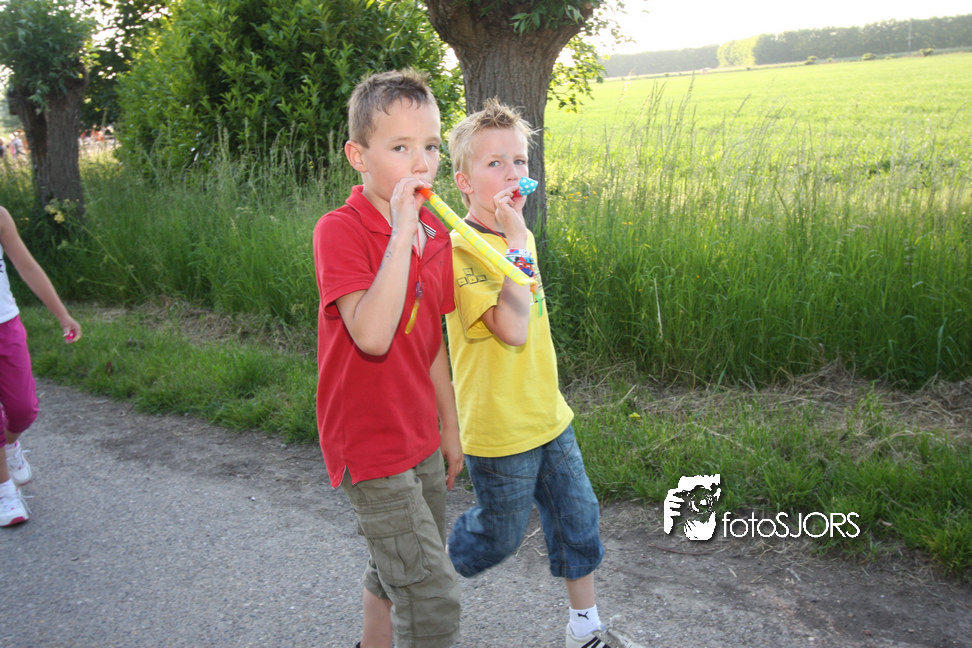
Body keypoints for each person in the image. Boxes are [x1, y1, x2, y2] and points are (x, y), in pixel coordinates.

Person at [444, 99, 645, 648]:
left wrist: (517, 240)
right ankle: (421, 575)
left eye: (520, 161)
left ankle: (585, 629)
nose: (513, 173)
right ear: (464, 182)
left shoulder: (518, 237)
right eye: (495, 164)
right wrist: (515, 243)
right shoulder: (462, 252)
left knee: (578, 516)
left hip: (547, 414)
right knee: (499, 536)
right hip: (499, 426)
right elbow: (511, 330)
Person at [312, 69, 462, 648]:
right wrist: (401, 234)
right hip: (369, 442)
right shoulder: (339, 231)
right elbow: (372, 336)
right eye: (400, 148)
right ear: (359, 156)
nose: (421, 164)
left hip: (418, 432)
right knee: (430, 592)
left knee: (402, 561)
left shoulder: (436, 234)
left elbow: (431, 339)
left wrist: (450, 426)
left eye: (431, 147)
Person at [1, 205, 82, 527]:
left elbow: (28, 267)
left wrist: (62, 314)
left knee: (23, 409)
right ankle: (5, 493)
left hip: (6, 326)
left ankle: (10, 444)